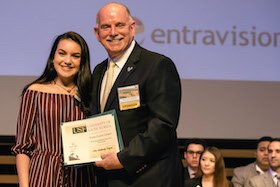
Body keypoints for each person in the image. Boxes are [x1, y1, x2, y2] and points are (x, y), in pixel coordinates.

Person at [90, 2, 183, 187]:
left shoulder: (157, 65)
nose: (113, 32)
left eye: (120, 25)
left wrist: (123, 159)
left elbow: (163, 125)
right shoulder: (99, 71)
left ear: (132, 28)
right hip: (109, 178)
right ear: (97, 33)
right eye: (106, 26)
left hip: (149, 178)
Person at [11, 31, 95, 187]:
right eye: (62, 53)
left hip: (82, 177)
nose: (67, 61)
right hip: (43, 175)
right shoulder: (35, 91)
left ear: (82, 61)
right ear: (53, 57)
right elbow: (22, 147)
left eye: (75, 56)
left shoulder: (90, 94)